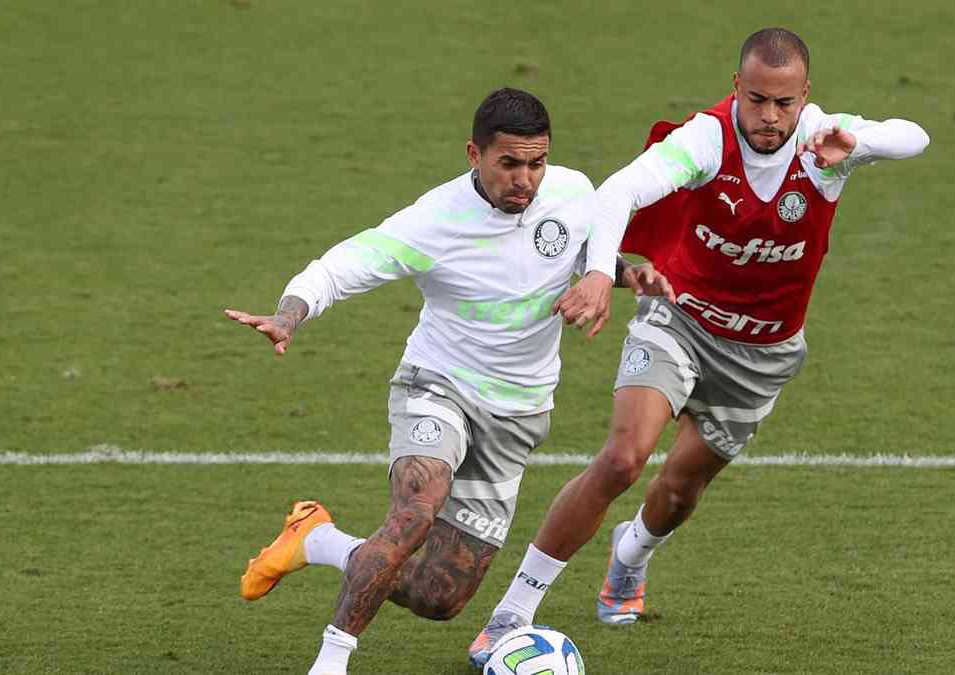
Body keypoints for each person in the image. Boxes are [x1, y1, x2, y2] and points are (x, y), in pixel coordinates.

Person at [469, 28, 930, 665]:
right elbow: (620, 192)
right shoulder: (704, 141)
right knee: (624, 458)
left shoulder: (826, 140)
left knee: (680, 493)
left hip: (762, 354)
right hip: (680, 320)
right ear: (736, 87)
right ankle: (510, 615)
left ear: (805, 98)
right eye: (757, 100)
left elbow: (916, 136)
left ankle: (629, 558)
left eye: (785, 103)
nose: (770, 118)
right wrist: (603, 271)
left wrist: (861, 141)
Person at [224, 87, 672, 675]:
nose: (525, 180)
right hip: (438, 385)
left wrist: (625, 275)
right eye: (509, 163)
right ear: (474, 154)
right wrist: (288, 314)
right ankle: (331, 661)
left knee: (439, 596)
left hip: (517, 411)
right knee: (416, 510)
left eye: (536, 163)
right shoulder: (434, 220)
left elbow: (581, 260)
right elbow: (342, 265)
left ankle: (317, 539)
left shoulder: (573, 192)